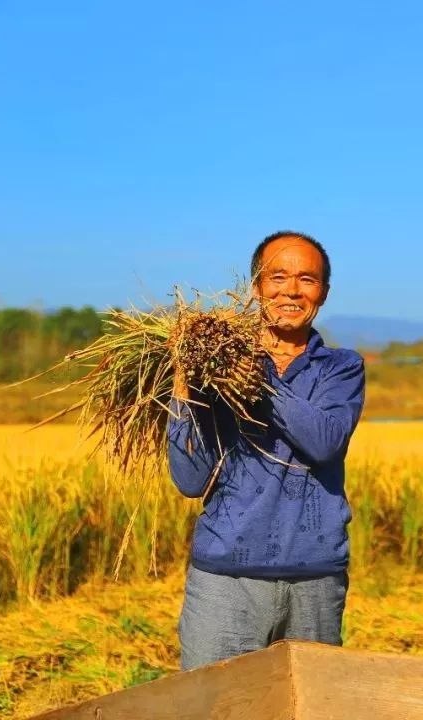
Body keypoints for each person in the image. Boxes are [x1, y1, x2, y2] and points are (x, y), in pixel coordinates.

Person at [167, 230, 365, 670]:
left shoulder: (341, 367)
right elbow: (189, 479)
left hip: (314, 579)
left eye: (307, 279)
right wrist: (184, 386)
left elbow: (324, 441)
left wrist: (258, 379)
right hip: (225, 581)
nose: (291, 290)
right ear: (256, 287)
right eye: (278, 277)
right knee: (213, 707)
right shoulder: (214, 371)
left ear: (324, 294)